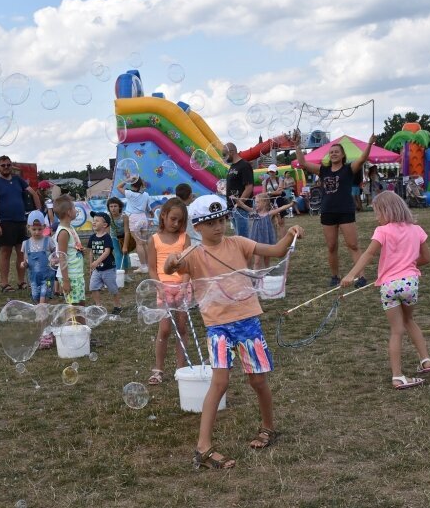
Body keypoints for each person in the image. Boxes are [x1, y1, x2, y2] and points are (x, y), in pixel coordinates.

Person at [164, 194, 304, 470]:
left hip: (248, 321)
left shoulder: (238, 243)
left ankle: (268, 428)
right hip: (217, 325)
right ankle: (202, 448)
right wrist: (171, 259)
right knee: (220, 382)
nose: (218, 226)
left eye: (221, 220)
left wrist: (289, 234)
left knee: (258, 381)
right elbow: (171, 267)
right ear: (198, 227)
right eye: (211, 222)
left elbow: (275, 251)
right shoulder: (194, 255)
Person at [341, 191, 430, 389]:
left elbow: (368, 254)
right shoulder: (416, 229)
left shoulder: (382, 231)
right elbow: (426, 258)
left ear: (387, 211)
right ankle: (426, 360)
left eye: (377, 212)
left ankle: (398, 376)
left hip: (389, 286)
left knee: (396, 330)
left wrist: (352, 274)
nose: (376, 217)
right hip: (410, 283)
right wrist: (407, 263)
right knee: (409, 320)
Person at [296, 133, 374, 287]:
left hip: (345, 211)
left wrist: (370, 144)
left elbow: (362, 159)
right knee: (332, 246)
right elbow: (303, 163)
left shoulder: (348, 169)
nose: (333, 154)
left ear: (343, 155)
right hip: (328, 212)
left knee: (352, 245)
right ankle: (334, 276)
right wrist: (297, 145)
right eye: (331, 152)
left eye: (337, 151)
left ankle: (361, 276)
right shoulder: (323, 170)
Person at [146, 198, 190, 386]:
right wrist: (160, 288)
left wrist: (185, 286)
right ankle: (159, 368)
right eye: (173, 219)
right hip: (163, 289)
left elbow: (188, 267)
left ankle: (181, 369)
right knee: (164, 329)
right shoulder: (154, 240)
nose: (176, 224)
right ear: (163, 215)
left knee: (181, 329)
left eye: (180, 220)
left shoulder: (184, 238)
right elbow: (152, 268)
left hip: (182, 288)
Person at [0, 155, 41, 293]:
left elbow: (33, 193)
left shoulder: (18, 180)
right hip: (5, 222)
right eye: (3, 165)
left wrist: (38, 213)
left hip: (21, 221)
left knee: (21, 252)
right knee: (5, 252)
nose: (6, 167)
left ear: (11, 166)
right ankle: (4, 284)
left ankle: (21, 281)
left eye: (8, 165)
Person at [234, 193, 294, 269]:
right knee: (257, 261)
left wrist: (291, 204)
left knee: (267, 259)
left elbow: (281, 208)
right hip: (256, 240)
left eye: (258, 202)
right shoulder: (254, 213)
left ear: (264, 203)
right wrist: (235, 199)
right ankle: (256, 276)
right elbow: (243, 205)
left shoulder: (269, 214)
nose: (256, 204)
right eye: (255, 202)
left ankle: (266, 273)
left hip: (266, 239)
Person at [87, 211, 122, 315]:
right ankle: (98, 306)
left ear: (104, 225)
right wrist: (91, 265)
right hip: (97, 270)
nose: (94, 222)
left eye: (97, 221)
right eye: (93, 220)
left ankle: (117, 305)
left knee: (112, 289)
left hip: (108, 269)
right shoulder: (92, 237)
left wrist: (96, 262)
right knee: (93, 287)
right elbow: (91, 252)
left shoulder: (107, 237)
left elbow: (107, 252)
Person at [53, 195, 85, 306]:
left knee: (80, 305)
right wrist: (66, 281)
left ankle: (81, 324)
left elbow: (72, 247)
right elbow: (62, 257)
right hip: (70, 276)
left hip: (76, 273)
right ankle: (74, 324)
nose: (76, 210)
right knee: (74, 308)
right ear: (68, 212)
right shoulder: (63, 233)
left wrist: (79, 250)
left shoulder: (69, 228)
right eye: (74, 208)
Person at [116, 177, 151, 273]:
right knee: (144, 243)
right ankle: (148, 265)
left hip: (133, 218)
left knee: (139, 243)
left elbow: (118, 187)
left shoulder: (130, 194)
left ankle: (143, 267)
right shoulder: (146, 194)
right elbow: (148, 208)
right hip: (143, 218)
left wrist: (127, 179)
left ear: (132, 184)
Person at [20, 210, 56, 305]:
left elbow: (56, 255)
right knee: (36, 296)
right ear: (28, 228)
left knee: (45, 294)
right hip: (34, 278)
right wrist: (24, 264)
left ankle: (42, 315)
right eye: (34, 229)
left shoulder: (48, 241)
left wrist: (54, 260)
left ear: (44, 227)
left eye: (39, 229)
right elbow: (26, 260)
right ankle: (43, 312)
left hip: (48, 277)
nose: (37, 232)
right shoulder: (26, 244)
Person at [224, 142, 255, 239]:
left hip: (240, 209)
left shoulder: (244, 165)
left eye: (224, 154)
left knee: (243, 239)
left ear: (232, 152)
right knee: (239, 238)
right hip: (233, 208)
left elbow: (249, 187)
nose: (223, 157)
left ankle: (246, 254)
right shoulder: (232, 166)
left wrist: (239, 204)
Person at [106, 196, 131, 271]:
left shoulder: (124, 217)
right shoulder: (108, 216)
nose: (113, 208)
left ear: (119, 207)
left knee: (125, 253)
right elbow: (107, 231)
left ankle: (126, 273)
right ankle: (119, 272)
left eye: (115, 206)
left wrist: (125, 246)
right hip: (114, 237)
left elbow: (127, 232)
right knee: (117, 254)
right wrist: (107, 243)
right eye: (111, 206)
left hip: (123, 237)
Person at [262, 164, 287, 237]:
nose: (271, 173)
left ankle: (284, 242)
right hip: (269, 202)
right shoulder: (265, 181)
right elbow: (264, 194)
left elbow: (280, 192)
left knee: (281, 222)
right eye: (270, 171)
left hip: (279, 201)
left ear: (276, 172)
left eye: (273, 171)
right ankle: (273, 241)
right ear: (268, 172)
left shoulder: (280, 179)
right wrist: (275, 192)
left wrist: (269, 193)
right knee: (270, 222)